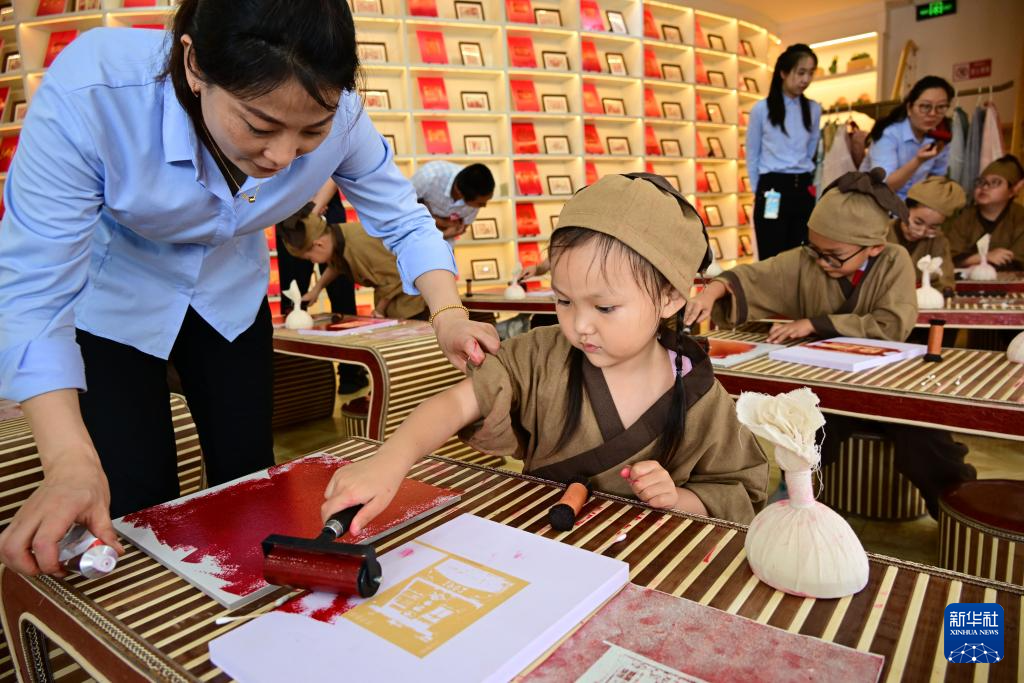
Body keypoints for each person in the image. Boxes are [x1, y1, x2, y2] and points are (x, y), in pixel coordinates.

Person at [0, 0, 499, 577]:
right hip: (115, 298)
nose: (282, 156)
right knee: (134, 490)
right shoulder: (96, 90)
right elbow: (33, 292)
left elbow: (406, 221)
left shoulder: (343, 114)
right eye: (259, 126)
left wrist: (448, 313)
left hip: (228, 297)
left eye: (311, 132)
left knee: (249, 478)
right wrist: (67, 460)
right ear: (194, 65)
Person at [321, 173, 770, 533]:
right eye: (563, 300)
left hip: (648, 565)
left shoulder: (699, 394)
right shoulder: (540, 354)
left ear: (670, 298)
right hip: (541, 547)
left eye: (605, 307)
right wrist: (390, 462)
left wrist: (678, 498)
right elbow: (456, 404)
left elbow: (736, 490)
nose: (579, 325)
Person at [686, 169, 974, 518]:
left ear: (874, 247)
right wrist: (713, 291)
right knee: (809, 428)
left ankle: (957, 515)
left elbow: (892, 324)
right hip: (828, 385)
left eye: (834, 255)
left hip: (888, 384)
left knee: (926, 441)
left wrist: (815, 323)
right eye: (816, 249)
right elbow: (754, 277)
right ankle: (797, 496)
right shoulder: (807, 260)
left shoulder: (894, 260)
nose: (822, 261)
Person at [278, 202, 427, 320]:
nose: (312, 262)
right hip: (391, 297)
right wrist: (316, 290)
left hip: (410, 300)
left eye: (309, 258)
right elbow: (337, 265)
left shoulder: (359, 245)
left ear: (319, 245)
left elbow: (395, 277)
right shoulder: (336, 236)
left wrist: (379, 310)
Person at [745, 43, 821, 259]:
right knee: (771, 254)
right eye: (801, 72)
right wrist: (758, 189)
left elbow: (811, 149)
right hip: (772, 186)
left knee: (802, 254)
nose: (805, 79)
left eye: (810, 73)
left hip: (802, 185)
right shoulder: (762, 109)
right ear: (783, 73)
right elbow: (752, 152)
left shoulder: (814, 109)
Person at [865, 75, 955, 200]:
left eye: (941, 107)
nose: (933, 113)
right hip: (878, 203)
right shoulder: (889, 135)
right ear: (909, 108)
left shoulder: (940, 136)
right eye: (925, 106)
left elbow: (937, 178)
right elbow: (883, 186)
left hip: (914, 203)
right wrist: (918, 161)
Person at [887, 176, 966, 290]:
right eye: (918, 222)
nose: (921, 232)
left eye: (932, 227)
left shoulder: (938, 242)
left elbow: (944, 282)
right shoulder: (880, 233)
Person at [946, 155, 1024, 270]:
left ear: (1012, 191)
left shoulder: (1020, 218)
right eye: (981, 182)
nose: (985, 187)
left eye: (995, 182)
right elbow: (947, 257)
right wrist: (983, 257)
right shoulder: (964, 217)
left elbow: (1018, 262)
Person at [411, 161, 495, 242]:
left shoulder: (476, 191)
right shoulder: (429, 176)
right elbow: (407, 209)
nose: (484, 206)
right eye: (480, 203)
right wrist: (443, 223)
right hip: (413, 230)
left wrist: (445, 231)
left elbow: (461, 228)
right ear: (460, 193)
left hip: (443, 239)